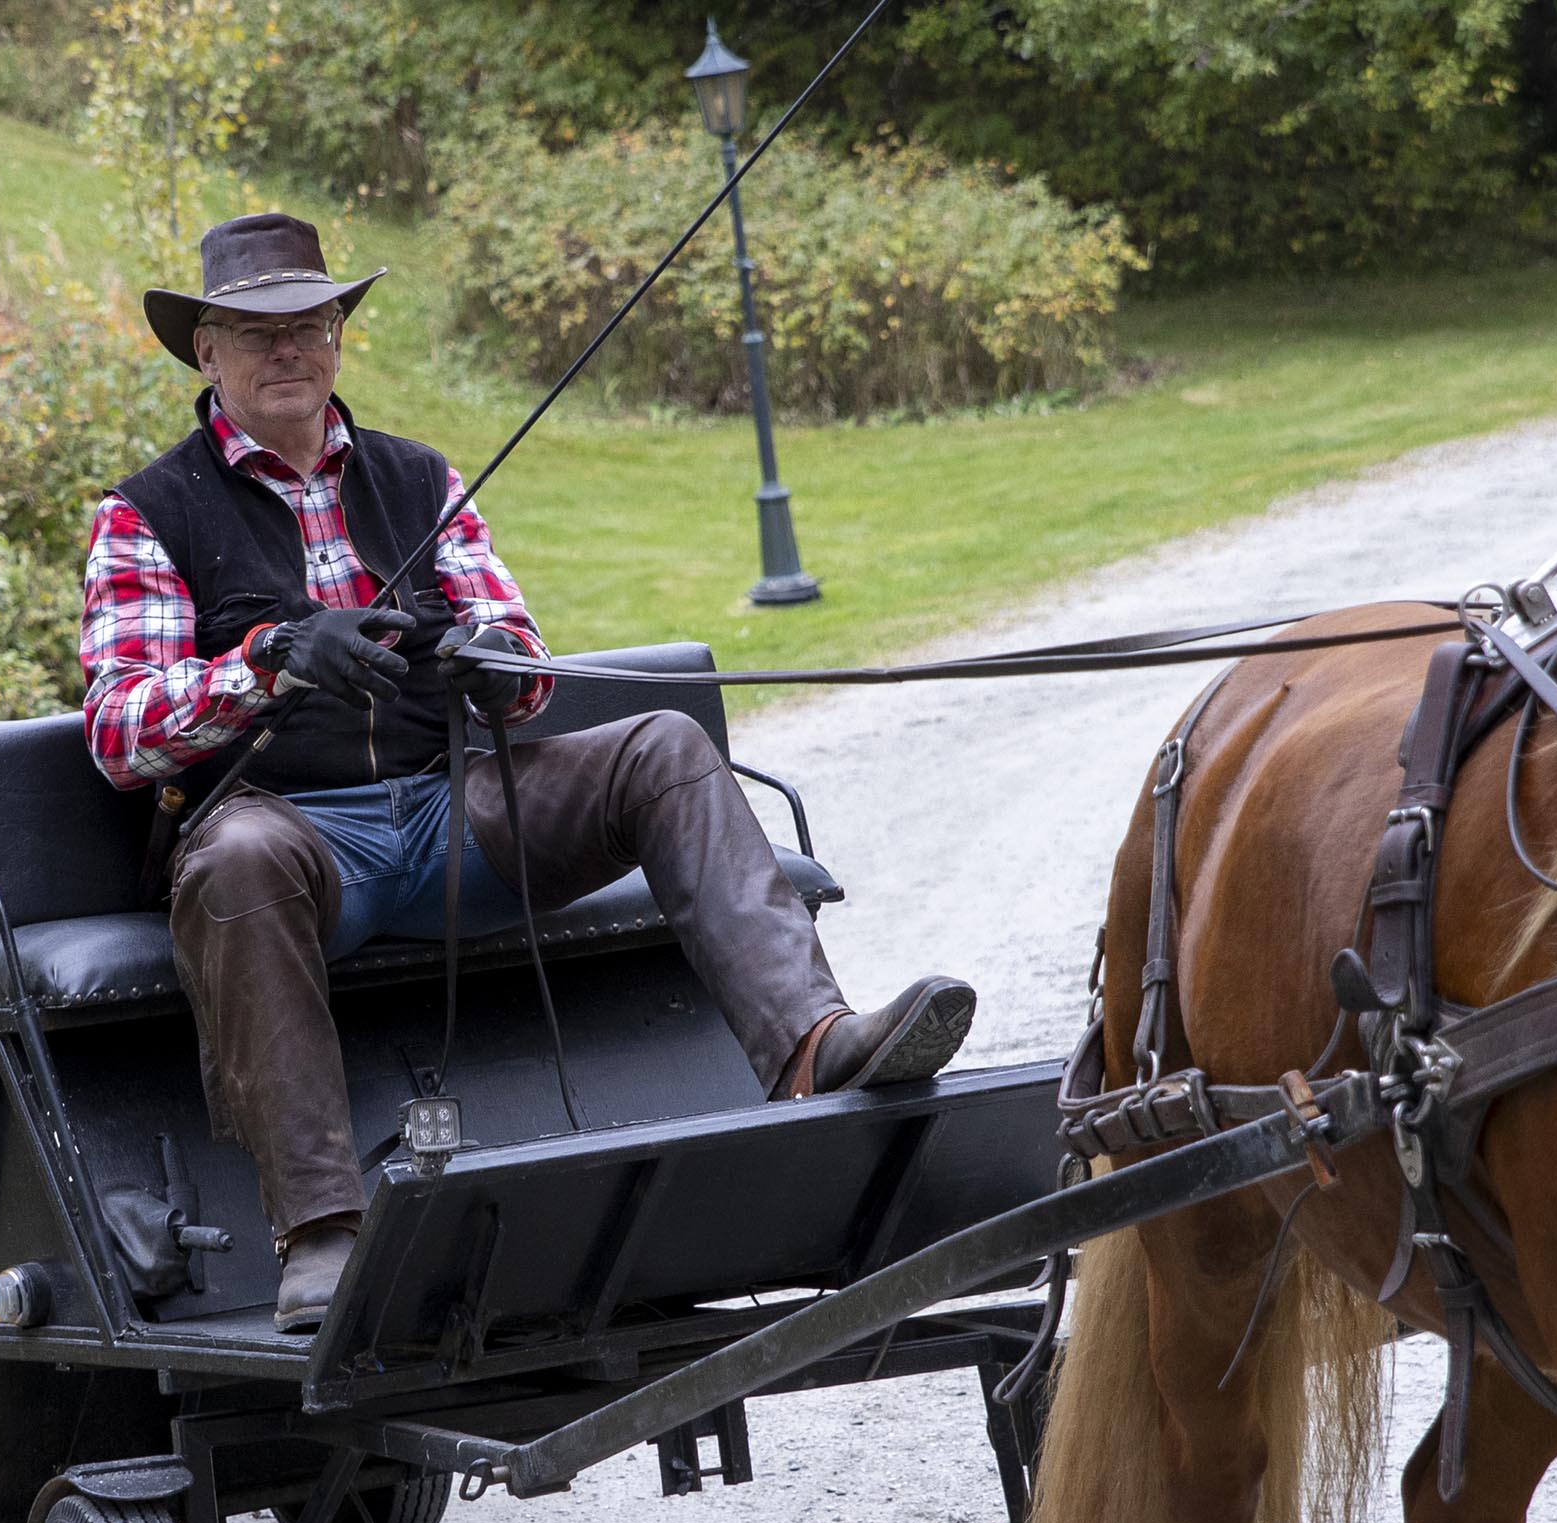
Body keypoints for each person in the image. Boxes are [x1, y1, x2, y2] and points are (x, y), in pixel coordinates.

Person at [81, 211, 978, 1332]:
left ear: (337, 339)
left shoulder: (419, 478)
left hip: (455, 813)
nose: (286, 351)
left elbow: (522, 649)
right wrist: (266, 661)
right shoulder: (144, 513)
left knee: (660, 743)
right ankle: (320, 1231)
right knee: (243, 857)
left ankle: (813, 1045)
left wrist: (501, 673)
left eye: (307, 323)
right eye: (254, 332)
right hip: (296, 842)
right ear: (205, 353)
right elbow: (118, 731)